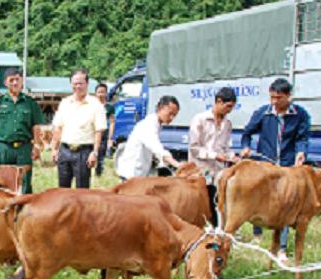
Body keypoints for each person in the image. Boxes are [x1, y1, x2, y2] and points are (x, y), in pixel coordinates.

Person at [241, 78, 310, 263]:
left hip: (288, 166)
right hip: (266, 164)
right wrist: (246, 147)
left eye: (278, 98)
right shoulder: (263, 113)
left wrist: (301, 152)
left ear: (288, 96)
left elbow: (302, 138)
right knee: (259, 199)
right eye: (271, 97)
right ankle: (257, 234)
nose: (274, 101)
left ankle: (281, 248)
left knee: (286, 204)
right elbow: (247, 133)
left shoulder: (300, 115)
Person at [0, 67, 45, 194]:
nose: (15, 83)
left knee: (24, 181)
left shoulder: (30, 103)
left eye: (17, 80)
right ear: (5, 83)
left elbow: (35, 126)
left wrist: (36, 146)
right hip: (4, 148)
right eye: (11, 80)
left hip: (24, 148)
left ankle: (23, 209)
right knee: (3, 180)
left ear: (22, 82)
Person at [189, 87, 239, 226]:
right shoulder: (200, 120)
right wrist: (215, 155)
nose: (229, 110)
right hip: (200, 170)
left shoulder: (227, 124)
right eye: (228, 106)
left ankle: (217, 231)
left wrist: (232, 157)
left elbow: (225, 148)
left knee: (218, 203)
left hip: (218, 172)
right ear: (218, 101)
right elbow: (194, 148)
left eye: (232, 107)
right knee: (201, 205)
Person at [51, 69, 106, 188]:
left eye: (80, 83)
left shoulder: (95, 104)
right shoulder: (65, 103)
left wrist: (95, 153)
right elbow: (58, 127)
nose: (78, 86)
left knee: (82, 191)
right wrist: (54, 149)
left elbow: (99, 131)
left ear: (87, 83)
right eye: (75, 83)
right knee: (63, 189)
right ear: (71, 84)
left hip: (84, 152)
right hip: (65, 151)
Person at [116, 95, 185, 180]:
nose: (172, 118)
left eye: (174, 115)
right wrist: (176, 164)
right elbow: (157, 148)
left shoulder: (157, 125)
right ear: (161, 108)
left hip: (139, 174)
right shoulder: (148, 125)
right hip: (131, 173)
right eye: (170, 113)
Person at [95, 83, 115, 177]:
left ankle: (98, 174)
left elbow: (111, 122)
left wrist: (110, 137)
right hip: (91, 134)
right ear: (95, 93)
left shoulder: (109, 107)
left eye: (103, 92)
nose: (101, 94)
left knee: (100, 156)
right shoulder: (91, 105)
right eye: (99, 92)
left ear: (106, 93)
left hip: (103, 134)